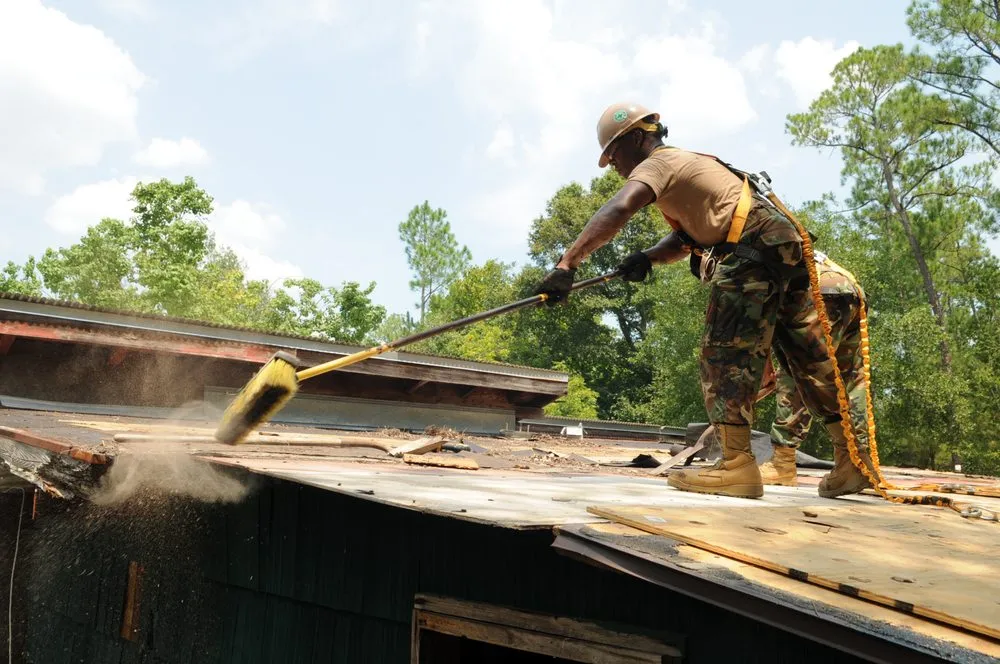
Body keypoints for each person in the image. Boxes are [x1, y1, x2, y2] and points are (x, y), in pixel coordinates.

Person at [533, 101, 873, 499]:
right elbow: (686, 240)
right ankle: (852, 461)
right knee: (807, 360)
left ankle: (736, 467)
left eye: (615, 155)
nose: (614, 167)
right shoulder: (695, 169)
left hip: (752, 247)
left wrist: (567, 265)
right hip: (782, 245)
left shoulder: (659, 163)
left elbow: (620, 207)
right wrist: (647, 258)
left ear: (639, 138)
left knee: (725, 355)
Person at [691, 250, 873, 493]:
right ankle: (859, 463)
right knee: (848, 380)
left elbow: (749, 330)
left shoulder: (735, 258)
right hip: (847, 288)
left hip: (816, 293)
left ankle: (783, 463)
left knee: (798, 371)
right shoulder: (763, 239)